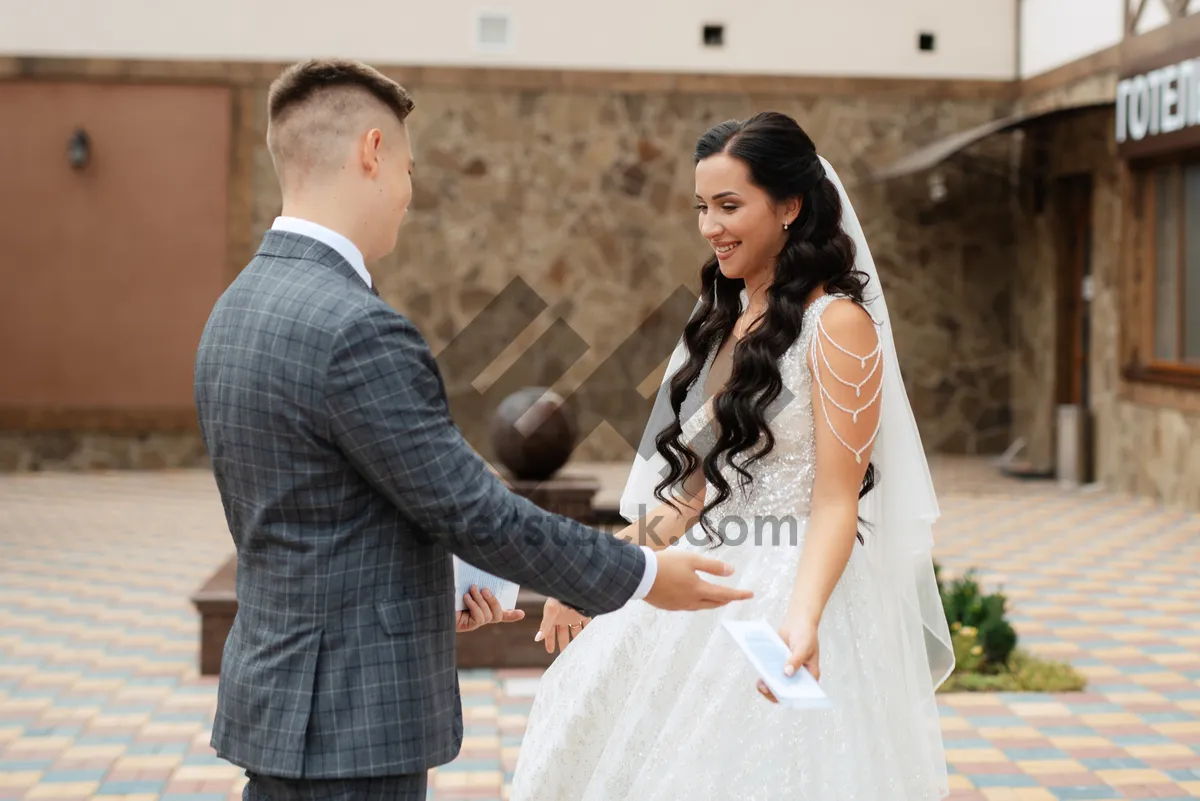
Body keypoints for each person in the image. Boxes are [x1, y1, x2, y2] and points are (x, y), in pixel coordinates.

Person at [192, 58, 753, 801]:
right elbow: (473, 511)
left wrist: (434, 589)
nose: (407, 194)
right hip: (349, 725)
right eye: (408, 168)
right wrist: (646, 575)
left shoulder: (235, 310)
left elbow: (312, 513)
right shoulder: (356, 328)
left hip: (281, 700)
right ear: (371, 152)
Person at [510, 112, 955, 801]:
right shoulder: (717, 321)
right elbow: (687, 494)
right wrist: (599, 577)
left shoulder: (837, 325)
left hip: (791, 590)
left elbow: (838, 498)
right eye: (701, 207)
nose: (711, 225)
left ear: (789, 207)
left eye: (728, 205)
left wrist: (802, 618)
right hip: (698, 579)